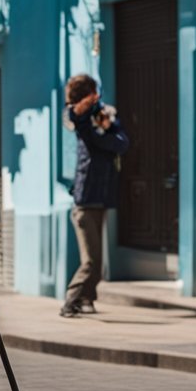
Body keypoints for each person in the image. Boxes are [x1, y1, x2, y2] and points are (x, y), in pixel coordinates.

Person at [61, 73, 130, 318]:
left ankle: (86, 299)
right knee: (91, 261)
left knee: (97, 262)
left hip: (100, 196)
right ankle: (71, 300)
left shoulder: (104, 114)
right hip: (85, 198)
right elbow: (73, 117)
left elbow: (122, 143)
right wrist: (98, 130)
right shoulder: (79, 118)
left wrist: (107, 129)